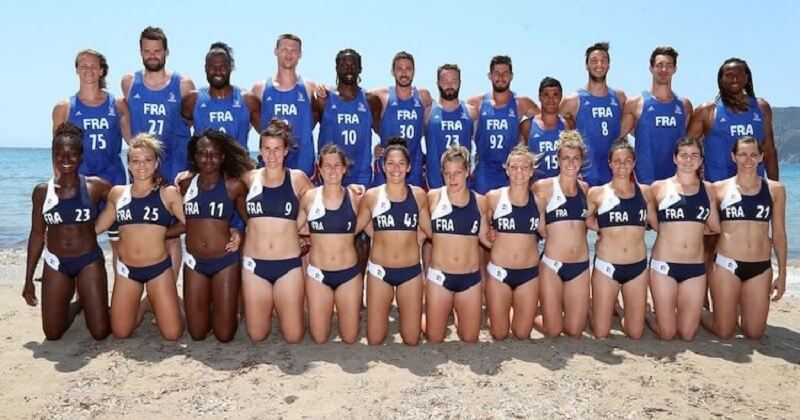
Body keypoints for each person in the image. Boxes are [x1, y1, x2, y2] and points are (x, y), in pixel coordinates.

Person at [23, 123, 112, 340]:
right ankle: (78, 303)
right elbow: (36, 235)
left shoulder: (95, 186)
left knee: (100, 332)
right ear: (52, 156)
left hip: (88, 261)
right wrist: (28, 278)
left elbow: (125, 201)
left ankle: (87, 300)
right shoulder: (42, 192)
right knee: (52, 334)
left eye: (72, 154)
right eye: (59, 154)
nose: (65, 159)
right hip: (56, 263)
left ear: (81, 156)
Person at [95, 134, 185, 340]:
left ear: (157, 163)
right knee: (120, 333)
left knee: (173, 334)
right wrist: (59, 234)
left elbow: (192, 222)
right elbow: (98, 227)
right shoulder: (118, 193)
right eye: (135, 161)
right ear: (128, 165)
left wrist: (165, 232)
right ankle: (146, 304)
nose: (141, 165)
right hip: (128, 271)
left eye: (147, 160)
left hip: (159, 270)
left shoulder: (168, 193)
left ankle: (157, 301)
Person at [122, 26, 194, 278]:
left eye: (157, 51)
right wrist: (133, 148)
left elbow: (193, 123)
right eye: (147, 51)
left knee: (172, 235)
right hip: (142, 167)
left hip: (173, 164)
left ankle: (169, 294)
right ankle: (145, 284)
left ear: (166, 52)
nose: (152, 55)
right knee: (144, 229)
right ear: (141, 52)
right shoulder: (130, 82)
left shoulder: (183, 84)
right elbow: (125, 119)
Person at [702, 136, 786, 339]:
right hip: (726, 266)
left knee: (754, 333)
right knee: (724, 331)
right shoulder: (717, 189)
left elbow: (780, 233)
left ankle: (737, 308)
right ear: (733, 157)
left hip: (760, 267)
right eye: (742, 154)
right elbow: (704, 228)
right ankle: (698, 311)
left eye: (753, 155)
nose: (748, 160)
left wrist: (782, 273)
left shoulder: (775, 190)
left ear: (761, 157)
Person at [240, 119, 313, 343]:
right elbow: (223, 195)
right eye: (267, 149)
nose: (272, 155)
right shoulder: (249, 177)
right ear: (260, 151)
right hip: (255, 265)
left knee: (293, 337)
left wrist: (300, 229)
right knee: (257, 335)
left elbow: (319, 205)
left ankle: (279, 304)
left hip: (288, 265)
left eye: (277, 149)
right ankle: (270, 304)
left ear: (286, 151)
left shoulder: (297, 178)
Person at [355, 137, 431, 345]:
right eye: (390, 163)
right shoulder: (371, 196)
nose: (395, 169)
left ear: (409, 167)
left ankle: (421, 319)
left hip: (411, 272)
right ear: (382, 165)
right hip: (380, 272)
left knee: (412, 339)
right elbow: (356, 226)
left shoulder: (418, 195)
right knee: (375, 339)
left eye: (401, 164)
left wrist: (417, 238)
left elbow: (430, 230)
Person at [178, 130, 252, 342]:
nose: (208, 158)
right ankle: (212, 303)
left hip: (225, 262)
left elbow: (251, 221)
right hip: (194, 262)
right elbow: (173, 212)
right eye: (202, 153)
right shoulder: (185, 186)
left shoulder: (234, 186)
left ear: (222, 157)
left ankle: (231, 307)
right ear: (194, 157)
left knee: (225, 335)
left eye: (214, 154)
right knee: (197, 334)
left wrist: (240, 233)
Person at [647, 137, 720, 340]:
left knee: (687, 334)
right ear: (675, 158)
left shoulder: (709, 189)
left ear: (701, 160)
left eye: (694, 155)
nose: (689, 160)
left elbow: (714, 227)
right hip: (664, 266)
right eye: (684, 155)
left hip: (695, 269)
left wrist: (693, 228)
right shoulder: (658, 188)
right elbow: (648, 220)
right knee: (667, 333)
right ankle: (647, 313)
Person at [586, 138, 657, 339]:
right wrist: (600, 227)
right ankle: (595, 309)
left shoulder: (645, 192)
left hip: (637, 267)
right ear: (609, 163)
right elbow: (582, 219)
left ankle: (627, 310)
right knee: (601, 332)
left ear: (634, 163)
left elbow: (656, 222)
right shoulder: (597, 193)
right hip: (606, 267)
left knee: (635, 333)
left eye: (627, 161)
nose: (622, 165)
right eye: (617, 161)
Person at [298, 144, 363, 344]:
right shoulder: (309, 197)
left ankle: (345, 313)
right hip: (318, 275)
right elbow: (294, 227)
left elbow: (373, 228)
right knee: (319, 337)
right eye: (327, 165)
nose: (332, 170)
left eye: (337, 165)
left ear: (344, 169)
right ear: (319, 168)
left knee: (350, 338)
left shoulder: (356, 197)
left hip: (349, 274)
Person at [426, 145, 490, 343]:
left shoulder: (480, 201)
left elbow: (486, 240)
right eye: (447, 174)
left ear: (468, 172)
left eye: (457, 173)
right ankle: (432, 316)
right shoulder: (433, 197)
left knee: (470, 338)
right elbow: (423, 238)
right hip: (439, 277)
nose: (452, 179)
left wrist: (495, 237)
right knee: (434, 337)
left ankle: (456, 315)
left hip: (469, 279)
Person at [533, 131, 591, 338]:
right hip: (552, 265)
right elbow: (529, 218)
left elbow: (592, 222)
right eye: (565, 158)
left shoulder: (586, 189)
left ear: (582, 161)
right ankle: (532, 313)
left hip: (581, 266)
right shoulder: (544, 187)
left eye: (575, 158)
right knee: (553, 330)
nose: (570, 163)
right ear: (557, 159)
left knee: (575, 331)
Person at [484, 146, 544, 340]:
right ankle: (497, 313)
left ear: (532, 170)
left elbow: (547, 233)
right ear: (507, 169)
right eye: (514, 167)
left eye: (524, 167)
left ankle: (509, 310)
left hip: (529, 274)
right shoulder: (493, 198)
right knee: (499, 334)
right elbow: (480, 230)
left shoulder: (539, 201)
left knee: (521, 333)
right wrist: (488, 237)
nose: (519, 171)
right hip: (499, 272)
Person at [687, 58, 778, 181]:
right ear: (721, 80)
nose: (734, 79)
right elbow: (685, 149)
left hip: (754, 190)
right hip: (717, 191)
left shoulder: (762, 108)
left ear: (746, 78)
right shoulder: (706, 111)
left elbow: (769, 150)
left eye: (739, 75)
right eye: (729, 75)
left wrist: (774, 186)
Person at [52, 49, 131, 187]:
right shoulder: (64, 108)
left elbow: (133, 141)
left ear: (101, 71)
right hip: (79, 180)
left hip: (113, 178)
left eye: (93, 66)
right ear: (77, 70)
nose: (88, 70)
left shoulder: (118, 104)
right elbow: (57, 151)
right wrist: (59, 182)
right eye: (83, 66)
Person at [620, 46, 692, 185]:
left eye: (669, 65)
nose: (664, 70)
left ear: (675, 69)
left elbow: (687, 141)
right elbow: (617, 138)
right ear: (651, 68)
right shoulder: (636, 103)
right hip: (644, 181)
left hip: (676, 183)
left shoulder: (684, 105)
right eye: (659, 65)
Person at [469, 55, 539, 194]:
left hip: (512, 171)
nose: (501, 77)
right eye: (497, 73)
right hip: (484, 172)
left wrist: (524, 136)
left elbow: (546, 121)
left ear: (511, 76)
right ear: (489, 76)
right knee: (485, 213)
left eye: (505, 73)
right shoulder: (477, 103)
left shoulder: (522, 103)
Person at [560, 42, 627, 186]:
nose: (599, 64)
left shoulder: (619, 98)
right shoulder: (572, 101)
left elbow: (630, 130)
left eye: (603, 60)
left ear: (609, 65)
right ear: (586, 65)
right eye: (594, 61)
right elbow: (560, 138)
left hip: (614, 176)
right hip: (585, 178)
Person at [251, 34, 318, 177]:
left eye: (294, 50)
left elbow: (323, 120)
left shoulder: (310, 87)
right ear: (275, 51)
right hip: (271, 166)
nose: (289, 54)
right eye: (284, 49)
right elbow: (247, 124)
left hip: (304, 167)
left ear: (300, 54)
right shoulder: (260, 88)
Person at [314, 49, 378, 187]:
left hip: (361, 176)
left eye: (353, 65)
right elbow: (305, 130)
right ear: (336, 68)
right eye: (344, 65)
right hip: (330, 174)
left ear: (360, 68)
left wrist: (381, 146)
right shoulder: (323, 99)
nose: (349, 69)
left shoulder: (370, 100)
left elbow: (384, 132)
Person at [182, 42, 260, 152]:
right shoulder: (192, 100)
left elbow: (269, 135)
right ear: (205, 68)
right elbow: (179, 136)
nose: (217, 72)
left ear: (230, 68)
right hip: (204, 167)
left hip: (240, 167)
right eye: (212, 67)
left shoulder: (248, 100)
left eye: (222, 67)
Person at [370, 51, 432, 187]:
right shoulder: (381, 95)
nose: (404, 73)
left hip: (414, 167)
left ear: (414, 71)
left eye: (408, 69)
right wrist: (377, 144)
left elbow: (429, 127)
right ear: (393, 72)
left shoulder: (424, 96)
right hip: (387, 167)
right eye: (399, 69)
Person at [423, 64, 477, 189]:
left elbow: (482, 146)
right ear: (438, 83)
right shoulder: (428, 112)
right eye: (445, 81)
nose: (449, 85)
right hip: (435, 184)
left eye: (454, 81)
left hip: (464, 184)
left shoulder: (471, 112)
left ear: (460, 82)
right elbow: (412, 141)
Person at [520, 77, 569, 180]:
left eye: (555, 95)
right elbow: (520, 158)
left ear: (561, 97)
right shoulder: (527, 126)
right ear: (540, 97)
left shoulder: (567, 125)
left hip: (561, 187)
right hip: (537, 188)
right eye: (546, 95)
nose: (551, 99)